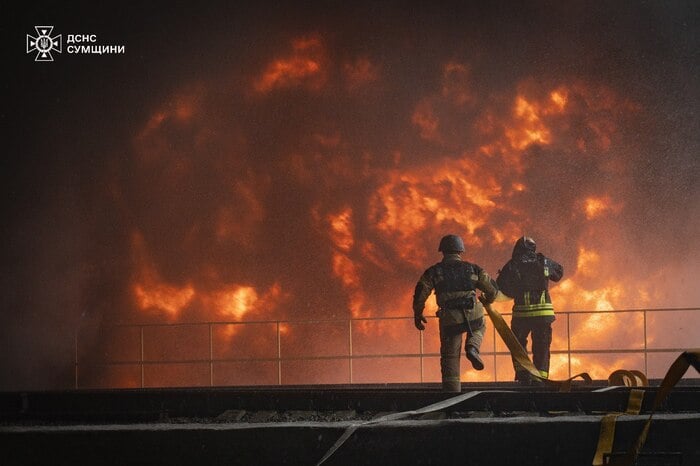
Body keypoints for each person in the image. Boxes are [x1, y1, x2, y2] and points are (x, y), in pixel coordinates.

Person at [413, 234, 498, 392]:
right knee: (480, 325)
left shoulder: (434, 271)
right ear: (460, 251)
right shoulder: (473, 269)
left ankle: (452, 393)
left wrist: (418, 314)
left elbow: (420, 292)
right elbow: (492, 289)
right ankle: (473, 347)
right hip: (473, 314)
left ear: (442, 251)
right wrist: (488, 299)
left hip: (450, 320)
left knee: (450, 357)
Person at [496, 236, 563, 385]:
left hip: (522, 315)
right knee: (542, 346)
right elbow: (558, 273)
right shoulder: (543, 261)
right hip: (543, 315)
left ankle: (523, 375)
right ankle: (540, 377)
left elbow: (501, 286)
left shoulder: (513, 264)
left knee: (518, 345)